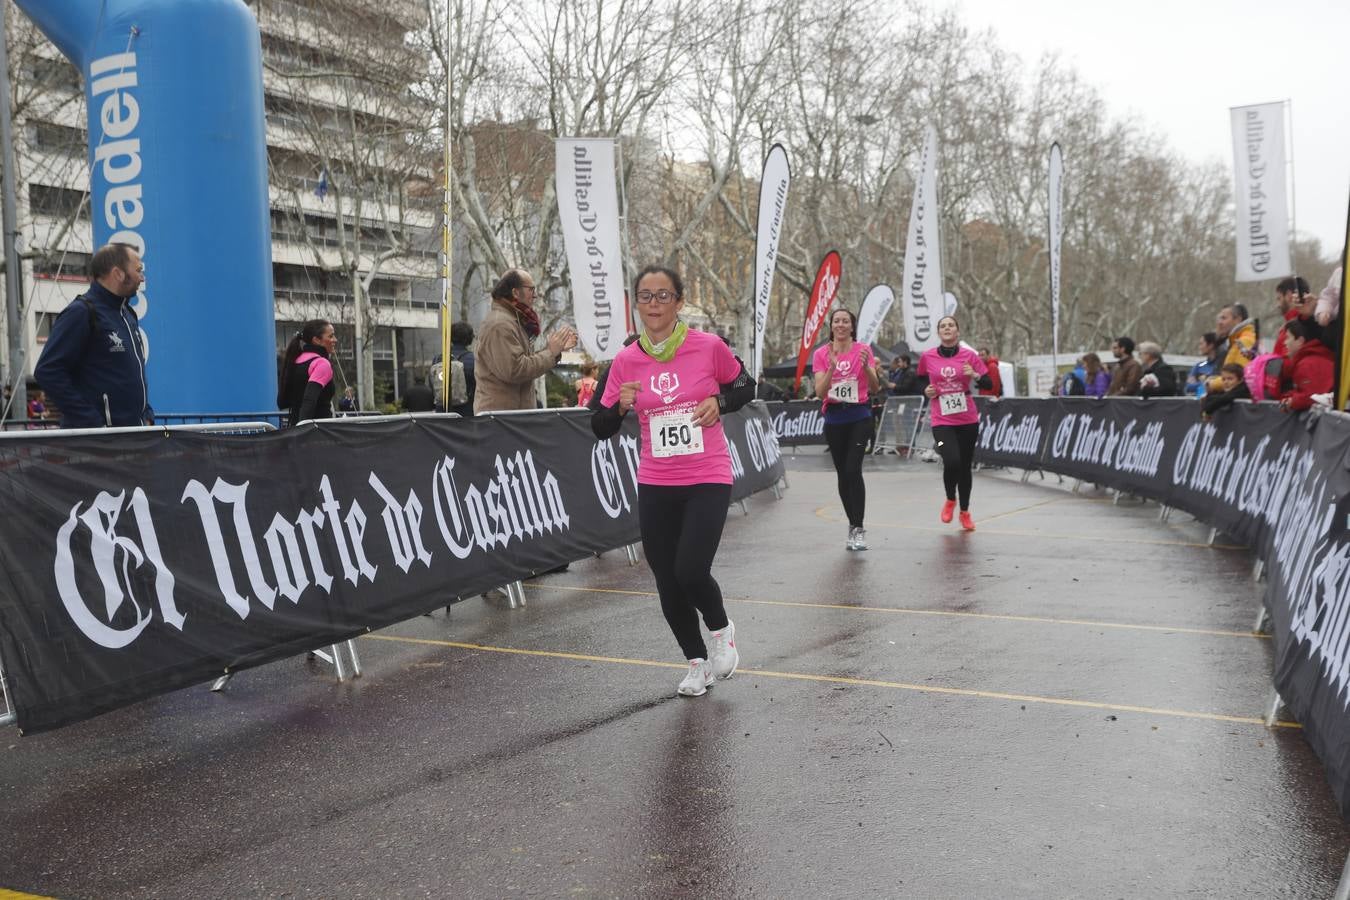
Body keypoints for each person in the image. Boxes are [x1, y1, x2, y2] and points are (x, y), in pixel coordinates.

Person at [591, 265, 753, 698]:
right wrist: (618, 407)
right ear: (636, 305)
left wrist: (720, 400)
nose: (655, 304)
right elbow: (599, 425)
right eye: (646, 296)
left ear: (679, 302)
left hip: (707, 474)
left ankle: (720, 628)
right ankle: (696, 662)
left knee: (690, 569)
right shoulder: (625, 360)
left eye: (664, 296)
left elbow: (746, 386)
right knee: (665, 577)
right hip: (657, 480)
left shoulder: (709, 347)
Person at [34, 242, 152, 428]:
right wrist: (92, 422)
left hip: (132, 437)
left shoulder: (128, 314)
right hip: (97, 445)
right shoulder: (82, 312)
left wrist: (147, 413)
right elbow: (47, 371)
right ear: (118, 274)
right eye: (138, 270)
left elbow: (129, 375)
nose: (142, 278)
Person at [813, 308, 882, 550]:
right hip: (834, 419)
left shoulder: (863, 350)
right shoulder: (821, 354)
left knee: (853, 469)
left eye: (845, 321)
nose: (841, 325)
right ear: (831, 327)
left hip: (860, 416)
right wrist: (832, 369)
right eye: (836, 321)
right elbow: (820, 392)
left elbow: (875, 388)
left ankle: (858, 527)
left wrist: (866, 369)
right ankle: (852, 527)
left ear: (852, 327)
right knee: (843, 474)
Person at [918, 315, 991, 531]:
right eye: (943, 326)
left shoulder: (970, 356)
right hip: (941, 419)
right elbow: (921, 378)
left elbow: (989, 382)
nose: (947, 328)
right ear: (938, 333)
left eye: (951, 325)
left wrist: (975, 374)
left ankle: (965, 512)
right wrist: (926, 389)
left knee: (965, 466)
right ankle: (951, 499)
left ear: (957, 332)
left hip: (967, 418)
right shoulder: (928, 356)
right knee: (951, 461)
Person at [474, 269, 577, 413]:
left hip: (509, 417)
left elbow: (524, 362)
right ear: (515, 292)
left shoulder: (511, 321)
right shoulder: (500, 324)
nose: (535, 295)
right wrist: (551, 352)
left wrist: (555, 350)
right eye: (531, 289)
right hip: (501, 420)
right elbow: (515, 370)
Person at [278, 319, 338, 427]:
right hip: (317, 432)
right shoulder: (321, 363)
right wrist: (303, 430)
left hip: (294, 428)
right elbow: (309, 401)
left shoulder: (295, 359)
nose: (335, 340)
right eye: (331, 336)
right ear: (316, 340)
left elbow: (282, 401)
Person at [1278, 318, 1334, 413]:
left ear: (1300, 341)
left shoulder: (1307, 364)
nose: (1284, 343)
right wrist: (1289, 397)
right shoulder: (1310, 360)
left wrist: (1292, 401)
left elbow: (1312, 397)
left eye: (1288, 338)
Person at [1206, 304, 1257, 393]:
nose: (1219, 323)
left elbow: (1238, 379)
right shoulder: (1234, 342)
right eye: (1219, 318)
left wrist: (1212, 384)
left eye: (1224, 318)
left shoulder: (1244, 342)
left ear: (1237, 320)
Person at [1273, 277, 1310, 358]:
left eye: (1279, 299)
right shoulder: (1291, 324)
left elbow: (1285, 362)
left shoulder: (1298, 325)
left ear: (1289, 295)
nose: (1278, 305)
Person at [448, 321, 476, 417]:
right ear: (469, 338)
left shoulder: (438, 359)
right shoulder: (474, 359)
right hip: (466, 412)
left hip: (443, 412)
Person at [1184, 333, 1220, 398]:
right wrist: (1205, 383)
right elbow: (1188, 387)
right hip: (1200, 401)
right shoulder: (1199, 366)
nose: (1199, 347)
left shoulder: (1221, 365)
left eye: (1201, 344)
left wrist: (1201, 382)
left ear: (1210, 345)